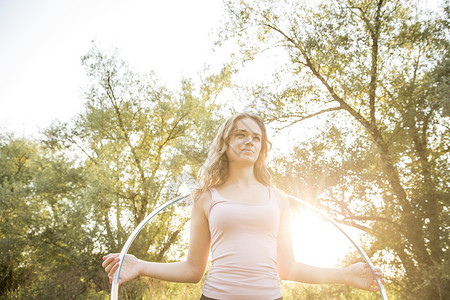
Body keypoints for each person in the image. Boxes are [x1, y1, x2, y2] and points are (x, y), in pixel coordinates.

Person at [102, 112, 384, 299]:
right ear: (226, 143)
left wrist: (345, 275)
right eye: (240, 134)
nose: (249, 141)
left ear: (262, 148)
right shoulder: (206, 197)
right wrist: (140, 265)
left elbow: (289, 268)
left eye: (256, 137)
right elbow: (192, 270)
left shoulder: (279, 199)